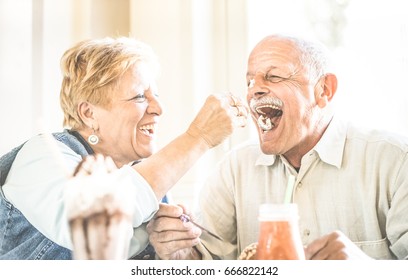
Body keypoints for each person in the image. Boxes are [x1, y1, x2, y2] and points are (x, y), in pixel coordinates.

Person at [147, 34, 408, 260]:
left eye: (273, 76)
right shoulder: (234, 169)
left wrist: (366, 269)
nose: (254, 90)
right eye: (250, 81)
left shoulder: (394, 161)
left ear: (324, 90)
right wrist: (182, 254)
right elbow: (209, 262)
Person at [0, 37, 248, 259]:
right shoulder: (42, 157)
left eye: (156, 96)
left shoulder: (149, 183)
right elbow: (91, 226)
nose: (158, 109)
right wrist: (199, 137)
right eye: (140, 96)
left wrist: (174, 254)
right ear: (89, 113)